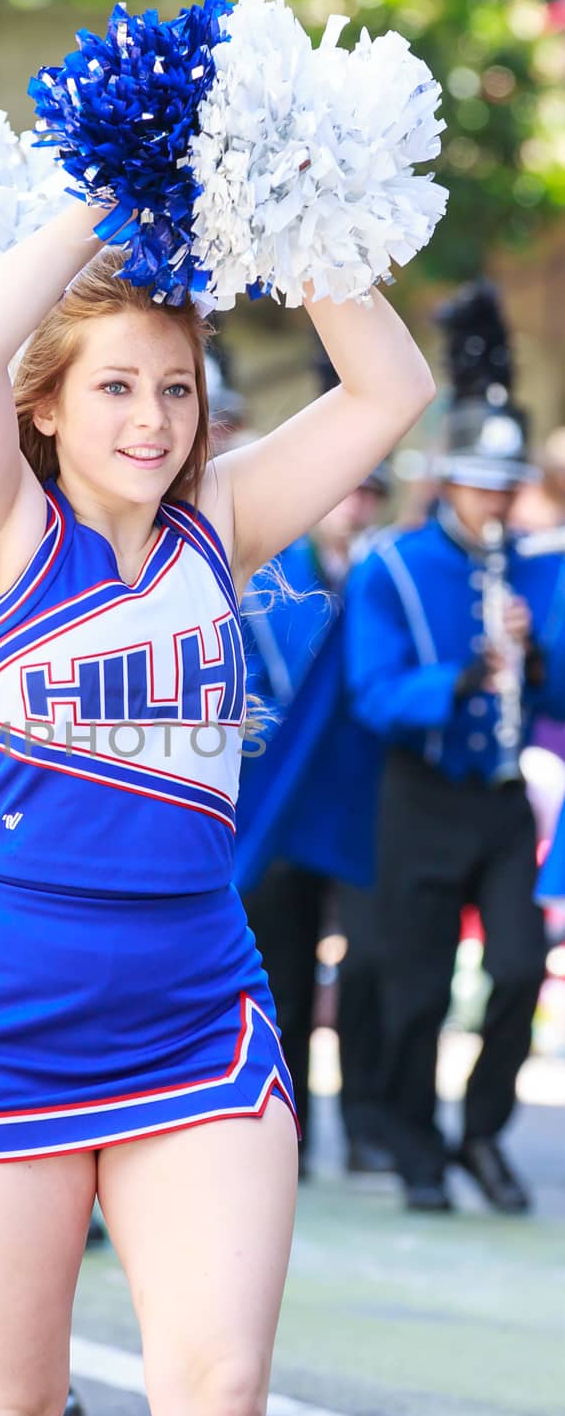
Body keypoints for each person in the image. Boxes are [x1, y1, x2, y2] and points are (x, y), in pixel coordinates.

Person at [0, 196, 433, 1416]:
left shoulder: (216, 523)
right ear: (50, 410)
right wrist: (107, 198)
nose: (151, 417)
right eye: (114, 386)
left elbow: (388, 384)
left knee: (222, 1391)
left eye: (175, 389)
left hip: (196, 1005)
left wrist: (276, 195)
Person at [346, 283, 565, 1213]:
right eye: (482, 483)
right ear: (447, 479)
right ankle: (413, 1145)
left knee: (519, 967)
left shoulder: (535, 568)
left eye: (508, 487)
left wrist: (535, 652)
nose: (496, 501)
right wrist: (464, 680)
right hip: (420, 796)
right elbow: (372, 694)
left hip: (501, 797)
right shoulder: (391, 567)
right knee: (417, 987)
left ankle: (479, 1132)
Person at [240, 460, 393, 1177]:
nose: (353, 504)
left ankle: (367, 1127)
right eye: (342, 488)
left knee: (370, 965)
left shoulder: (382, 574)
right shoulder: (269, 574)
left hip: (362, 801)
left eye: (367, 491)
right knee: (285, 974)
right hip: (277, 801)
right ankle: (288, 1131)